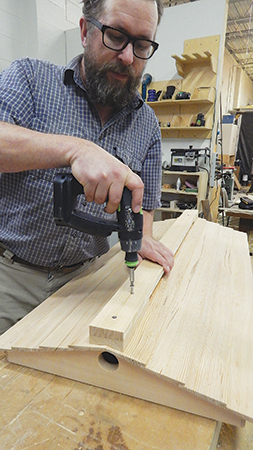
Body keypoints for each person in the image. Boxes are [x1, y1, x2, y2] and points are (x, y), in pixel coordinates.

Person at [0, 0, 174, 335]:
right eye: (115, 35)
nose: (127, 56)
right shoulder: (30, 79)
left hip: (86, 283)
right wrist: (75, 150)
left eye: (141, 45)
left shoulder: (148, 126)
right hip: (11, 277)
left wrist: (142, 237)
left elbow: (145, 208)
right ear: (84, 30)